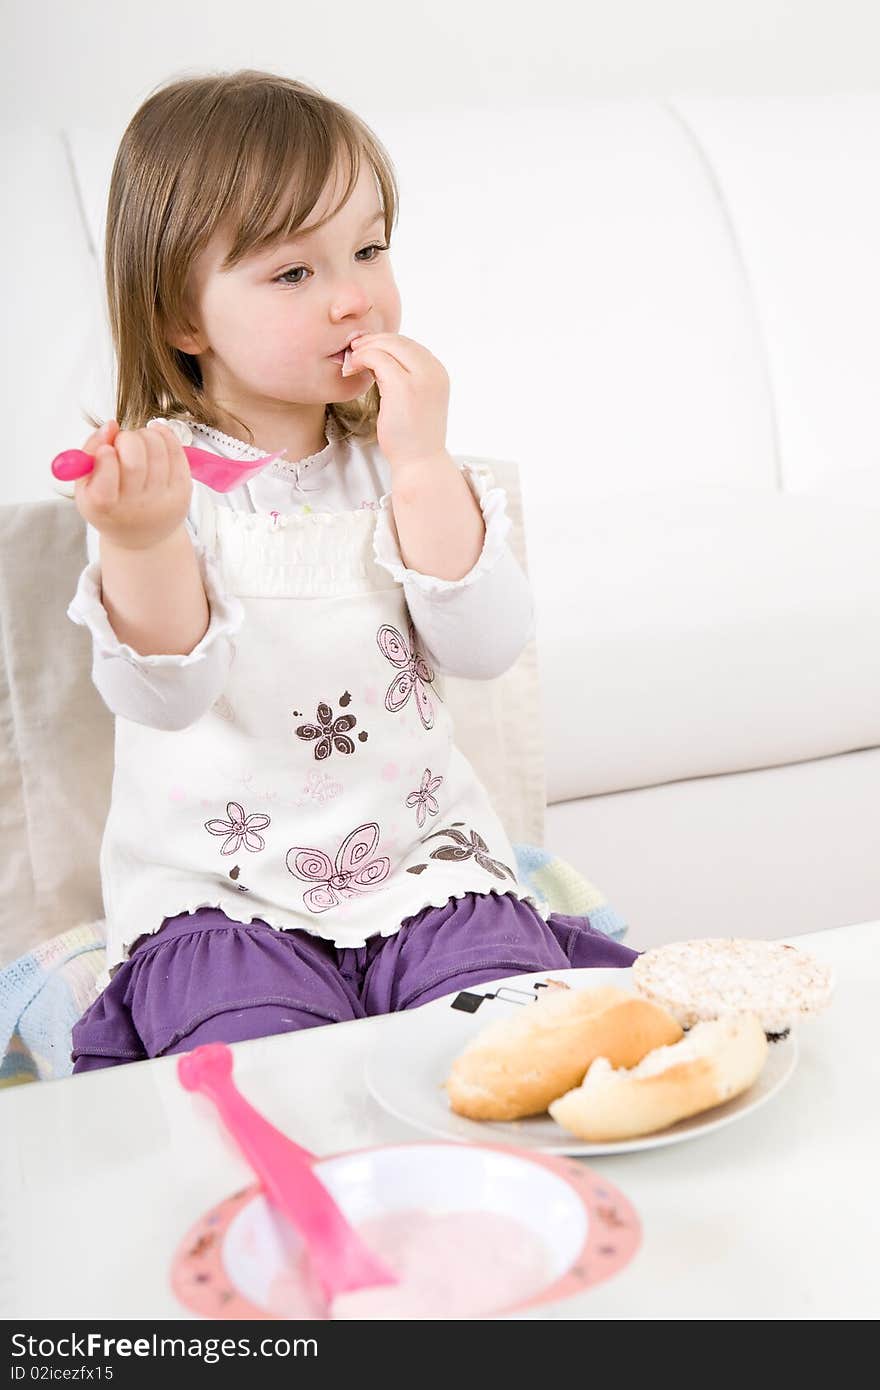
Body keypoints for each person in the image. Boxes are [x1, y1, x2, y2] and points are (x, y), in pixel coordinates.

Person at [68, 70, 636, 1072]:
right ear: (182, 320)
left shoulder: (401, 465)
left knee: (522, 1050)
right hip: (220, 897)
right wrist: (142, 541)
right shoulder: (160, 486)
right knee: (263, 1074)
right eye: (293, 274)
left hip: (426, 869)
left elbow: (486, 643)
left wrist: (420, 463)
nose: (354, 296)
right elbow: (162, 694)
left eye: (369, 248)